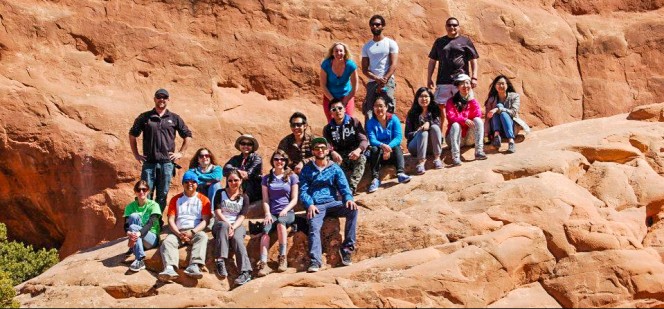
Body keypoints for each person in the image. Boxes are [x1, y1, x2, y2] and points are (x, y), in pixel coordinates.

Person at [299, 137, 358, 272]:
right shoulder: (307, 170)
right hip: (317, 205)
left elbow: (344, 186)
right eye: (317, 148)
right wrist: (309, 204)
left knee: (353, 210)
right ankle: (315, 261)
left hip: (333, 202)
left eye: (322, 148)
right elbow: (303, 190)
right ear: (312, 151)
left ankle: (347, 248)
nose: (320, 150)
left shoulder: (334, 168)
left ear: (327, 150)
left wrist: (348, 198)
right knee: (314, 227)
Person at [129, 88, 192, 212]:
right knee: (146, 192)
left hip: (167, 163)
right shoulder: (145, 117)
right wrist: (136, 154)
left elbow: (188, 135)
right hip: (149, 163)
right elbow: (132, 134)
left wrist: (181, 153)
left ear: (168, 100)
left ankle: (156, 221)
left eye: (164, 97)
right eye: (159, 97)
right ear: (154, 99)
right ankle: (144, 219)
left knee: (162, 194)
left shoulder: (174, 118)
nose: (161, 99)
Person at [157, 170, 211, 282]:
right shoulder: (175, 199)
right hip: (178, 231)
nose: (190, 184)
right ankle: (170, 268)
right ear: (183, 184)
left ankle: (194, 265)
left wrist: (192, 232)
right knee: (167, 242)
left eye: (193, 182)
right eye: (187, 181)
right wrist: (178, 233)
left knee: (203, 237)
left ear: (197, 184)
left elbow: (205, 220)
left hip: (195, 230)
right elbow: (171, 219)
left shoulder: (204, 200)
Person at [255, 150, 299, 277]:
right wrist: (267, 213)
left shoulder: (292, 177)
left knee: (281, 223)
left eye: (282, 159)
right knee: (265, 229)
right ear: (272, 161)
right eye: (276, 159)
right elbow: (265, 199)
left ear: (286, 162)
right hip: (272, 213)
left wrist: (285, 210)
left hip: (288, 212)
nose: (279, 161)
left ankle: (282, 257)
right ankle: (263, 263)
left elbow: (295, 198)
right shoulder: (267, 178)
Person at [212, 168, 252, 286]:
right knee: (223, 225)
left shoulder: (244, 197)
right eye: (230, 181)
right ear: (227, 181)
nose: (233, 183)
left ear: (240, 181)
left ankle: (245, 272)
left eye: (236, 180)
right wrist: (228, 225)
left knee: (237, 239)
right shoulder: (220, 193)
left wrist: (233, 227)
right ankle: (220, 260)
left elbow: (242, 216)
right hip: (221, 224)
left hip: (237, 225)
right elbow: (218, 212)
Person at [427, 17, 480, 107]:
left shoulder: (465, 41)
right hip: (443, 80)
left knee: (464, 105)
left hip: (461, 80)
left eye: (455, 25)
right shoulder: (439, 42)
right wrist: (429, 78)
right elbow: (432, 61)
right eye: (449, 25)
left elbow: (473, 60)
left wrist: (474, 77)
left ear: (459, 27)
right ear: (446, 27)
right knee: (440, 106)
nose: (452, 27)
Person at [365, 97, 412, 193]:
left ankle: (400, 174)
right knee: (374, 149)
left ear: (386, 107)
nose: (379, 109)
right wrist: (383, 146)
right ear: (373, 108)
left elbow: (398, 137)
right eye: (376, 106)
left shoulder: (394, 119)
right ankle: (375, 179)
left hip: (391, 152)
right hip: (379, 154)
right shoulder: (370, 123)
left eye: (381, 106)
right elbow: (372, 139)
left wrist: (388, 147)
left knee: (397, 147)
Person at [323, 99, 368, 195]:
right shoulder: (327, 129)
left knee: (362, 158)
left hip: (353, 154)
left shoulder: (354, 122)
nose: (337, 111)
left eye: (340, 108)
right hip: (338, 156)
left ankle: (351, 189)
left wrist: (358, 150)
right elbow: (327, 144)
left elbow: (364, 140)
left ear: (344, 109)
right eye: (334, 109)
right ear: (331, 113)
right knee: (327, 162)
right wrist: (332, 152)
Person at [361, 14, 399, 119]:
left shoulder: (391, 43)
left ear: (383, 26)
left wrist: (384, 79)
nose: (375, 27)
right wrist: (376, 78)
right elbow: (364, 69)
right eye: (372, 25)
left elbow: (393, 65)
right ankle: (370, 135)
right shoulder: (367, 46)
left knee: (388, 109)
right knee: (369, 112)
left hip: (387, 81)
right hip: (372, 82)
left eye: (378, 24)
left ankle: (389, 135)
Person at [445, 74, 487, 166]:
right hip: (456, 138)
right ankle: (455, 156)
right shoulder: (451, 101)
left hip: (468, 138)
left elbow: (478, 114)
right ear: (458, 86)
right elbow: (451, 117)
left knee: (478, 120)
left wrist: (471, 100)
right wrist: (464, 120)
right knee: (455, 125)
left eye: (467, 83)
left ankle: (479, 152)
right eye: (462, 84)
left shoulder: (472, 101)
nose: (465, 86)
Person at [484, 75, 531, 154]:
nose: (501, 86)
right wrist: (486, 135)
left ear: (507, 85)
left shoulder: (515, 96)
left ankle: (510, 140)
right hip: (497, 128)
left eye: (503, 83)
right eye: (498, 84)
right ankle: (499, 138)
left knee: (501, 111)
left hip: (512, 128)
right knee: (496, 112)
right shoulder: (491, 99)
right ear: (495, 86)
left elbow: (513, 112)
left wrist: (498, 109)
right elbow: (487, 119)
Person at [124, 180, 162, 272]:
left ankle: (139, 259)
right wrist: (129, 233)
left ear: (148, 191)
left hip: (151, 238)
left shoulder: (154, 205)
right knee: (133, 216)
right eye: (138, 189)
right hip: (137, 236)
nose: (141, 192)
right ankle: (135, 249)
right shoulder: (130, 206)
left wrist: (138, 233)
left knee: (133, 227)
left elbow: (150, 223)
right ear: (135, 191)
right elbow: (125, 225)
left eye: (144, 189)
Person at [405, 87, 443, 174]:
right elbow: (407, 134)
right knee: (423, 133)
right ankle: (421, 163)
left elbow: (437, 127)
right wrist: (417, 132)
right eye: (421, 96)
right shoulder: (412, 113)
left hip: (431, 146)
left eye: (426, 96)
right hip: (415, 147)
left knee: (435, 127)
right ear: (417, 98)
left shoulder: (435, 110)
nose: (424, 99)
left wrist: (429, 123)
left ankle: (437, 158)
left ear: (430, 98)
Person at [320, 42, 358, 121]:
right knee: (331, 122)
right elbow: (323, 85)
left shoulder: (350, 65)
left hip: (346, 96)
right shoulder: (326, 64)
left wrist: (346, 100)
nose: (338, 53)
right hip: (330, 97)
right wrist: (333, 100)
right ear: (332, 53)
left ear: (344, 52)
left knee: (347, 121)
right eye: (336, 51)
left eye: (341, 51)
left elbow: (355, 86)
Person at [224, 134, 262, 203]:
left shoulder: (257, 158)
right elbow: (225, 169)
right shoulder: (235, 158)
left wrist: (235, 172)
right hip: (237, 188)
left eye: (249, 144)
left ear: (252, 146)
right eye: (243, 143)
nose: (246, 146)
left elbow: (249, 174)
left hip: (251, 190)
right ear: (239, 145)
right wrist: (238, 171)